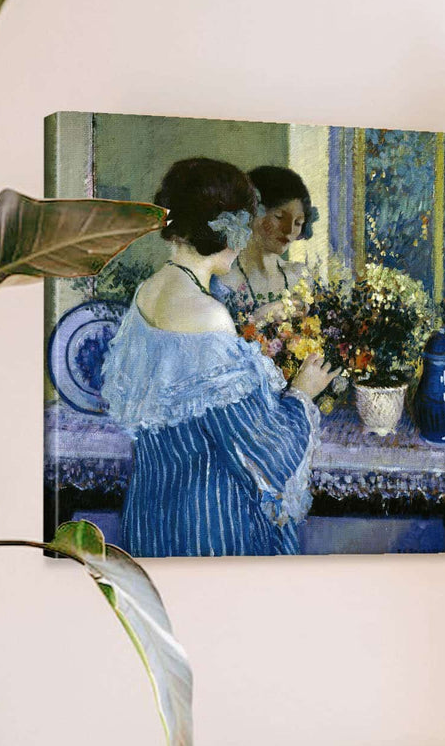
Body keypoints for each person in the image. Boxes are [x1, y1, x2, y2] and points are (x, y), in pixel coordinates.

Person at [100, 157, 336, 557]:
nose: (244, 240)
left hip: (152, 516)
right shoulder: (207, 316)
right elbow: (261, 449)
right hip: (209, 524)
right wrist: (301, 393)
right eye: (244, 224)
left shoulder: (149, 291)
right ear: (225, 228)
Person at [213, 165, 318, 310]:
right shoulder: (224, 282)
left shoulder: (301, 276)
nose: (289, 230)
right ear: (252, 213)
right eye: (279, 217)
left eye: (298, 222)